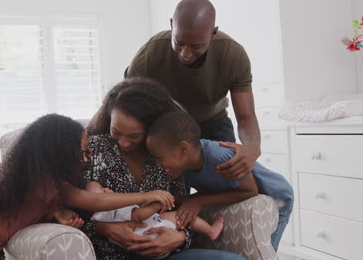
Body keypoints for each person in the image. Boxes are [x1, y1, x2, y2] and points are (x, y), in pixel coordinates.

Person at [0, 113, 175, 260]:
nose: (84, 160)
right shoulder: (41, 181)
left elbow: (26, 211)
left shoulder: (50, 184)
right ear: (59, 152)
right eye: (80, 153)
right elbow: (96, 202)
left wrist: (55, 213)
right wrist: (147, 196)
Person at [84, 77, 246, 260]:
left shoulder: (168, 154)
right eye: (116, 132)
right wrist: (105, 229)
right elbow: (71, 214)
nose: (123, 143)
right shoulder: (92, 151)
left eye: (134, 136)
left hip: (165, 254)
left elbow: (179, 209)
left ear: (153, 127)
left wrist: (180, 237)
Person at [125, 0, 261, 181]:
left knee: (229, 177)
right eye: (179, 43)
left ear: (213, 33)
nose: (186, 54)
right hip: (169, 125)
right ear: (172, 25)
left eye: (196, 46)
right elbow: (126, 102)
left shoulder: (233, 55)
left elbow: (246, 117)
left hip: (213, 121)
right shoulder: (151, 52)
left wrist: (252, 149)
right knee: (172, 186)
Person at [146, 111, 294, 251]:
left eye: (159, 157)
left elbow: (250, 191)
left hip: (277, 197)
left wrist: (199, 202)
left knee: (263, 250)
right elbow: (214, 191)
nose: (158, 164)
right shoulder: (187, 166)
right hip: (250, 200)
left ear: (183, 149)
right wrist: (175, 200)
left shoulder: (219, 157)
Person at [85, 181, 224, 259]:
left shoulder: (97, 215)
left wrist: (182, 237)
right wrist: (158, 202)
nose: (108, 188)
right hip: (150, 235)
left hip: (154, 237)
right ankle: (210, 231)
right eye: (103, 190)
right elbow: (139, 215)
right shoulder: (111, 209)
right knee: (179, 216)